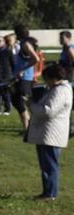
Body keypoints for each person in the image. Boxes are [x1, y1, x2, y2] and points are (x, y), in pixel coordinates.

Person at [25, 62, 71, 200]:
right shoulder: (55, 89)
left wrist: (31, 105)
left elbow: (48, 111)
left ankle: (51, 193)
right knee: (46, 165)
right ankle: (47, 191)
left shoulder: (61, 91)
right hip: (47, 132)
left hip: (52, 133)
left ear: (53, 78)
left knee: (50, 165)